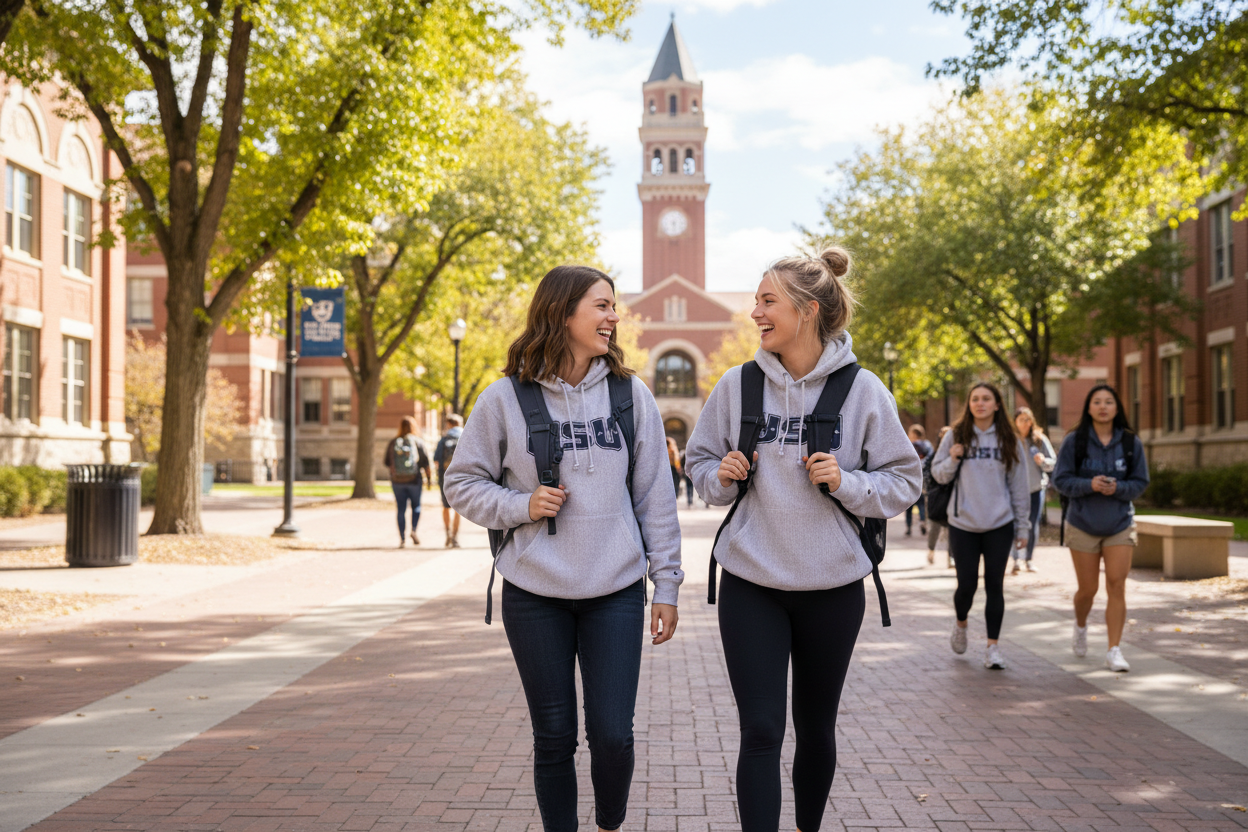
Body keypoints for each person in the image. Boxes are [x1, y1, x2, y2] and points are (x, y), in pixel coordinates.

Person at [685, 247, 921, 832]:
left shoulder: (864, 390)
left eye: (768, 301)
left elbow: (904, 481)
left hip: (833, 586)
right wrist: (721, 475)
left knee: (816, 728)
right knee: (761, 730)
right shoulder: (737, 386)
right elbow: (699, 465)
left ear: (808, 310)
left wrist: (847, 482)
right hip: (752, 584)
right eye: (756, 301)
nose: (755, 313)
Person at [443, 264, 682, 832]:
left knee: (612, 735)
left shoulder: (630, 395)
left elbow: (656, 497)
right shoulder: (504, 398)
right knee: (553, 735)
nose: (613, 317)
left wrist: (667, 584)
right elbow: (461, 483)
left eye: (613, 306)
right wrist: (521, 505)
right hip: (534, 592)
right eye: (602, 305)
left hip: (615, 589)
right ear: (562, 311)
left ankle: (608, 823)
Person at [930, 382, 1030, 670]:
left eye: (986, 398)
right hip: (963, 523)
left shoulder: (1009, 439)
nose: (980, 403)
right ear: (969, 404)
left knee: (995, 585)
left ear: (997, 404)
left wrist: (1023, 527)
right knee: (967, 586)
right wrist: (952, 458)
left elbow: (1019, 486)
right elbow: (938, 475)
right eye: (975, 399)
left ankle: (992, 647)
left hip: (1000, 523)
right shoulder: (955, 435)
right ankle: (961, 622)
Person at [1052, 384, 1149, 672]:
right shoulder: (1075, 441)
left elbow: (1140, 482)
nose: (1103, 407)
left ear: (1117, 407)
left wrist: (1118, 488)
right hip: (1082, 523)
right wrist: (1089, 484)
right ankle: (1081, 625)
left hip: (1119, 524)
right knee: (1088, 589)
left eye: (1108, 402)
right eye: (1097, 402)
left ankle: (1114, 650)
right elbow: (1060, 480)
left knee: (1117, 585)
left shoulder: (1130, 442)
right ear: (1089, 407)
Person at [1013, 407, 1056, 574]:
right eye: (1021, 420)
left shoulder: (1039, 440)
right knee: (1014, 524)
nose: (1025, 423)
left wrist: (1043, 461)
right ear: (1015, 422)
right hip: (1015, 490)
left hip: (1035, 488)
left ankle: (1028, 559)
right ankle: (1016, 559)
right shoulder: (1011, 440)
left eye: (1028, 419)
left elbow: (1053, 462)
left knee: (1032, 524)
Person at [383, 416, 431, 547]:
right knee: (416, 507)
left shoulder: (394, 442)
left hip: (397, 481)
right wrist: (429, 480)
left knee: (401, 509)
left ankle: (402, 538)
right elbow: (426, 463)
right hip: (414, 480)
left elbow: (386, 462)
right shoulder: (418, 442)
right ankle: (414, 530)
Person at [434, 414, 464, 548]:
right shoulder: (465, 437)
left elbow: (436, 460)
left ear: (450, 424)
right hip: (462, 477)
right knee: (458, 508)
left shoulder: (444, 439)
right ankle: (455, 536)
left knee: (446, 507)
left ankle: (447, 533)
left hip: (445, 477)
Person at [926, 426, 953, 567]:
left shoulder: (957, 454)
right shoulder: (934, 455)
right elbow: (927, 474)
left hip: (952, 495)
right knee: (935, 526)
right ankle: (931, 550)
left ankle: (951, 557)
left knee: (952, 528)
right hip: (937, 496)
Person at [906, 424, 933, 537]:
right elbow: (931, 459)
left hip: (910, 478)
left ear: (914, 434)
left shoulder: (910, 445)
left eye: (910, 433)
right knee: (922, 504)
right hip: (924, 480)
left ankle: (908, 527)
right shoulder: (928, 445)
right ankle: (922, 521)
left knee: (908, 505)